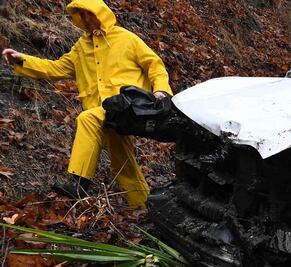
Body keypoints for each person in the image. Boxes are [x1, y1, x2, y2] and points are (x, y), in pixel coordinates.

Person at [2, 0, 172, 209]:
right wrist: (22, 60)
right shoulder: (81, 48)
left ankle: (79, 183)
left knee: (87, 118)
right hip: (103, 113)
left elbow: (154, 64)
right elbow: (55, 69)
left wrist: (161, 91)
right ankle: (145, 208)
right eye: (81, 15)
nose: (86, 20)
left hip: (128, 107)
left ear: (101, 13)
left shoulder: (126, 38)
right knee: (124, 164)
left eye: (90, 14)